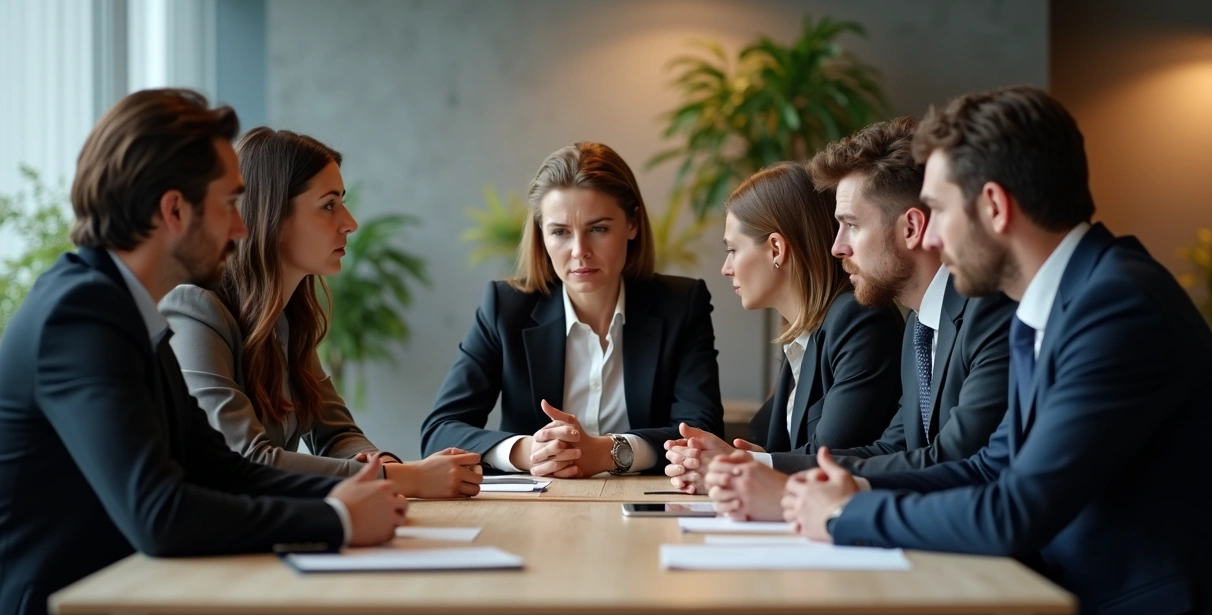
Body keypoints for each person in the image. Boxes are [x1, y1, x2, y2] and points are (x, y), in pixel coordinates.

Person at [782, 86, 1212, 615]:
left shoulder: (1118, 306)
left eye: (938, 210)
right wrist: (853, 487)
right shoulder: (1057, 299)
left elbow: (1016, 511)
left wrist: (846, 512)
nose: (932, 236)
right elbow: (993, 464)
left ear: (993, 206)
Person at [0, 89, 406, 615]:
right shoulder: (80, 315)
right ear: (173, 210)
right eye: (229, 206)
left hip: (119, 595)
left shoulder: (125, 307)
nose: (242, 229)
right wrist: (336, 520)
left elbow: (220, 467)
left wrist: (363, 490)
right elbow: (160, 514)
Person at [704, 118, 1014, 521]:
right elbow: (894, 449)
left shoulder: (987, 312)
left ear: (911, 228)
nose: (836, 247)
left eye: (851, 225)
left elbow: (955, 459)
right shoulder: (920, 329)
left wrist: (822, 503)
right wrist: (761, 470)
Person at [160, 127, 481, 498]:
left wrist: (391, 468)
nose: (350, 222)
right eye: (329, 205)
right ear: (273, 216)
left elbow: (336, 434)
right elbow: (245, 458)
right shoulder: (194, 310)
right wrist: (404, 479)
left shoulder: (287, 320)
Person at [420, 142, 724, 477]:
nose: (580, 251)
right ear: (541, 235)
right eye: (561, 232)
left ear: (633, 224)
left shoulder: (681, 305)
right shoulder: (506, 308)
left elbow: (701, 433)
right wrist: (527, 452)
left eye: (598, 229)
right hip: (536, 511)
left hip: (644, 506)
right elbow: (439, 431)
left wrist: (611, 452)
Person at [665, 161, 904, 494]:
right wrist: (718, 460)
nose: (726, 268)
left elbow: (831, 457)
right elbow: (778, 450)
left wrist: (736, 464)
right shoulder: (802, 335)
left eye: (733, 250)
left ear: (776, 248)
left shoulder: (859, 318)